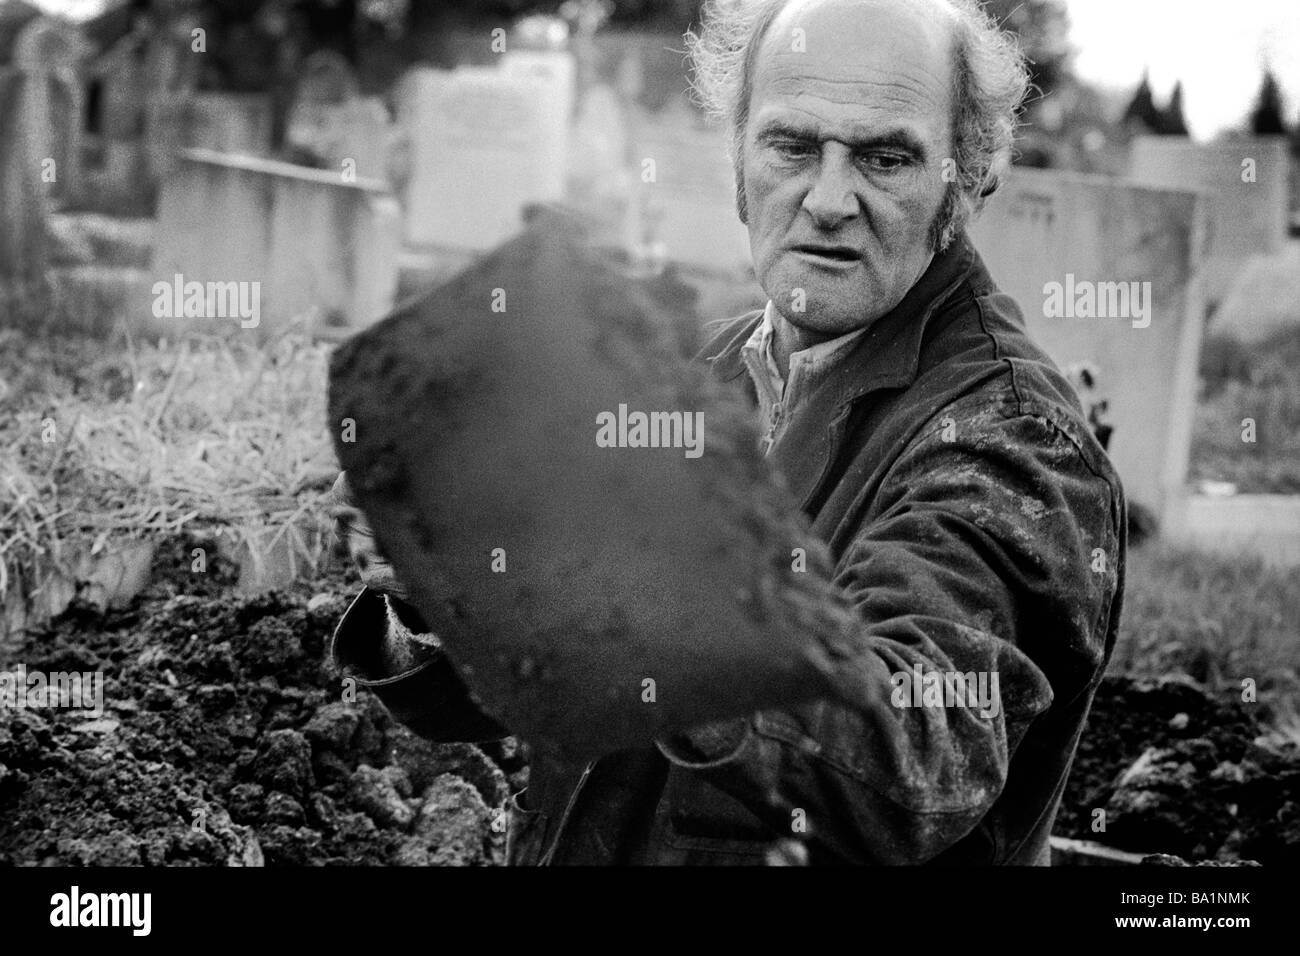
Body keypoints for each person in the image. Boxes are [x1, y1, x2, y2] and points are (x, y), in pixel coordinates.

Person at [330, 0, 1125, 865]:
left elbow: (904, 758)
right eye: (791, 146)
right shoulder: (705, 376)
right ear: (739, 163)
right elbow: (567, 679)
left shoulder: (1009, 440)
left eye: (885, 157)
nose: (827, 200)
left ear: (966, 180)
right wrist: (448, 580)